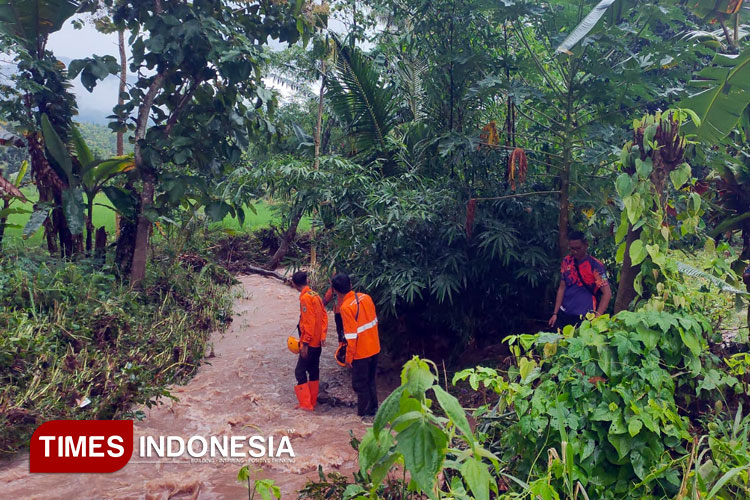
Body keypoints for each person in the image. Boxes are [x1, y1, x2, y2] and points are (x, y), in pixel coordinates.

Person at [331, 273, 380, 420]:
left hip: (361, 353)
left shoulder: (346, 308)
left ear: (335, 291)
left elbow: (351, 337)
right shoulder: (366, 297)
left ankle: (361, 416)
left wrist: (348, 358)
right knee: (371, 380)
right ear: (351, 285)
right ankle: (373, 409)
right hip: (375, 347)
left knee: (359, 385)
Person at [548, 231, 612, 329]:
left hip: (585, 316)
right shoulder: (566, 261)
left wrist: (597, 317)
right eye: (572, 249)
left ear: (586, 245)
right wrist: (555, 313)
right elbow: (562, 287)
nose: (575, 252)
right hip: (564, 313)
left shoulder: (596, 266)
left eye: (578, 248)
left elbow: (607, 293)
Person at [291, 271, 328, 411]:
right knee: (313, 370)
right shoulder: (315, 295)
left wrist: (304, 344)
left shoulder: (306, 298)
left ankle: (306, 404)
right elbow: (324, 316)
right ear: (307, 280)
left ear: (294, 284)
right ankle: (312, 401)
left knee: (299, 372)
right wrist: (323, 335)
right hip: (317, 342)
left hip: (310, 343)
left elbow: (309, 323)